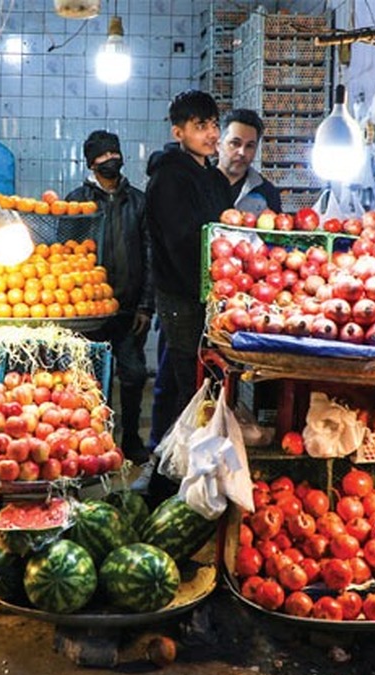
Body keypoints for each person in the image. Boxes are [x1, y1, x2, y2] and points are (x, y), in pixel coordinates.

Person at [143, 90, 230, 480]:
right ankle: (171, 475)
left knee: (206, 386)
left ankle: (195, 467)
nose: (211, 133)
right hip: (182, 298)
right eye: (200, 126)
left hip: (211, 298)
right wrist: (209, 287)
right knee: (186, 386)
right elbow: (181, 243)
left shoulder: (213, 176)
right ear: (179, 132)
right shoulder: (168, 178)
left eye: (214, 124)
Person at [64, 130, 153, 463]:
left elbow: (150, 255)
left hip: (130, 308)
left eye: (114, 153)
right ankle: (97, 440)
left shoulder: (139, 201)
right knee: (92, 378)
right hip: (90, 311)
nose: (109, 160)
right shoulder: (76, 202)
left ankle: (130, 438)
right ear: (91, 163)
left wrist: (146, 305)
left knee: (133, 376)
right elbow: (66, 257)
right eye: (102, 156)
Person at [218, 107, 282, 214]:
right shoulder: (199, 184)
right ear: (218, 145)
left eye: (249, 146)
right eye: (235, 143)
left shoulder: (267, 193)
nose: (242, 152)